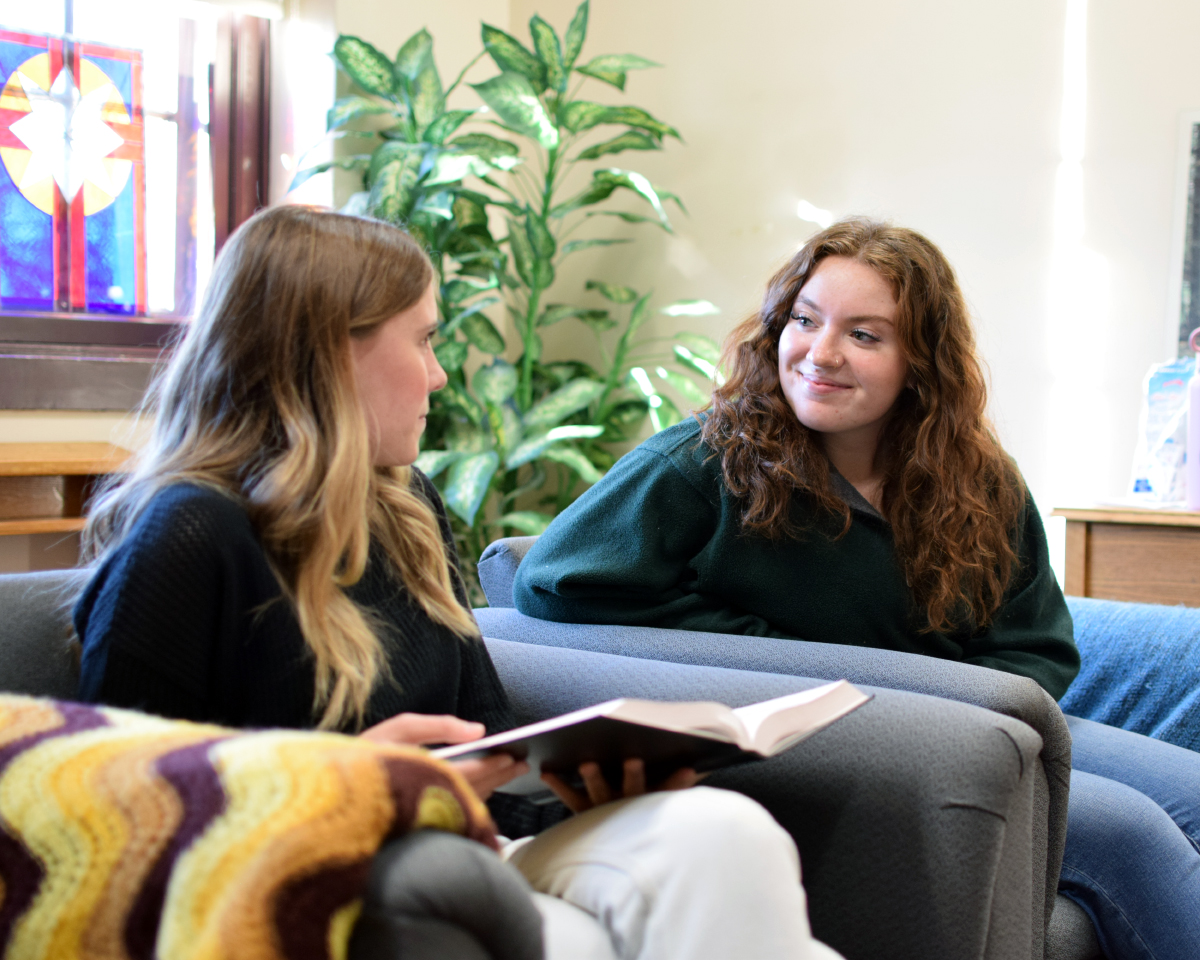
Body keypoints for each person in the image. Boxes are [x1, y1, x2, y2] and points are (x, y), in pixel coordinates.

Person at [72, 205, 843, 960]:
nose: (440, 375)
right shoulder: (188, 535)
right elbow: (112, 820)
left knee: (725, 830)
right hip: (310, 873)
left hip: (461, 847)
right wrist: (345, 782)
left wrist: (576, 786)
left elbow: (483, 735)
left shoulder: (405, 507)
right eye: (425, 339)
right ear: (332, 353)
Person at [513, 218, 1200, 960]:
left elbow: (1035, 646)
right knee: (1131, 836)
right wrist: (767, 650)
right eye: (804, 321)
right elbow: (553, 584)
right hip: (856, 743)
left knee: (1191, 791)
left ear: (921, 362)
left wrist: (970, 711)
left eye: (865, 335)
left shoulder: (979, 478)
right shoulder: (702, 462)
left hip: (991, 732)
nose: (821, 353)